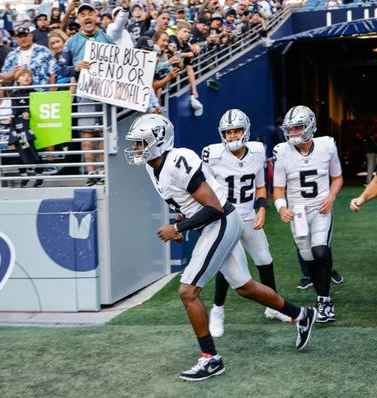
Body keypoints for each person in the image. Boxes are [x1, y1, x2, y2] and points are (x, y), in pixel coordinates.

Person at [125, 113, 316, 381]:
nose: (136, 148)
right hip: (213, 223)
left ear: (158, 141)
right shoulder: (152, 166)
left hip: (222, 220)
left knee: (188, 291)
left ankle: (210, 358)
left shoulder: (178, 161)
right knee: (245, 287)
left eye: (140, 143)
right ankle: (301, 314)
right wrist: (182, 221)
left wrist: (179, 228)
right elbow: (185, 203)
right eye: (136, 143)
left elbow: (213, 207)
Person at [201, 109, 290, 338]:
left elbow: (260, 187)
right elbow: (205, 190)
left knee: (265, 260)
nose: (232, 136)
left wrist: (261, 209)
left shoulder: (257, 151)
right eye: (228, 132)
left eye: (236, 130)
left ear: (245, 131)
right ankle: (217, 311)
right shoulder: (213, 155)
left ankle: (274, 306)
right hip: (226, 218)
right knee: (227, 265)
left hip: (249, 216)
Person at [273, 105, 343, 323]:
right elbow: (278, 189)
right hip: (298, 213)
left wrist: (331, 197)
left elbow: (337, 178)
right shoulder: (282, 152)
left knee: (321, 251)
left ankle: (324, 301)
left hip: (320, 208)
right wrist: (282, 208)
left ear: (310, 125)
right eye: (290, 128)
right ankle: (321, 293)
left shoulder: (326, 146)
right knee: (309, 258)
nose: (293, 132)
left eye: (298, 127)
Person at [59, 2, 114, 185]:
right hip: (85, 91)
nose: (87, 17)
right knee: (88, 133)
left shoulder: (107, 38)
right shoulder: (71, 42)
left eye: (90, 13)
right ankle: (92, 174)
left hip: (108, 92)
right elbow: (61, 69)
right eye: (83, 14)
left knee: (104, 131)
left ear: (96, 16)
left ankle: (104, 172)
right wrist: (75, 68)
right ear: (78, 19)